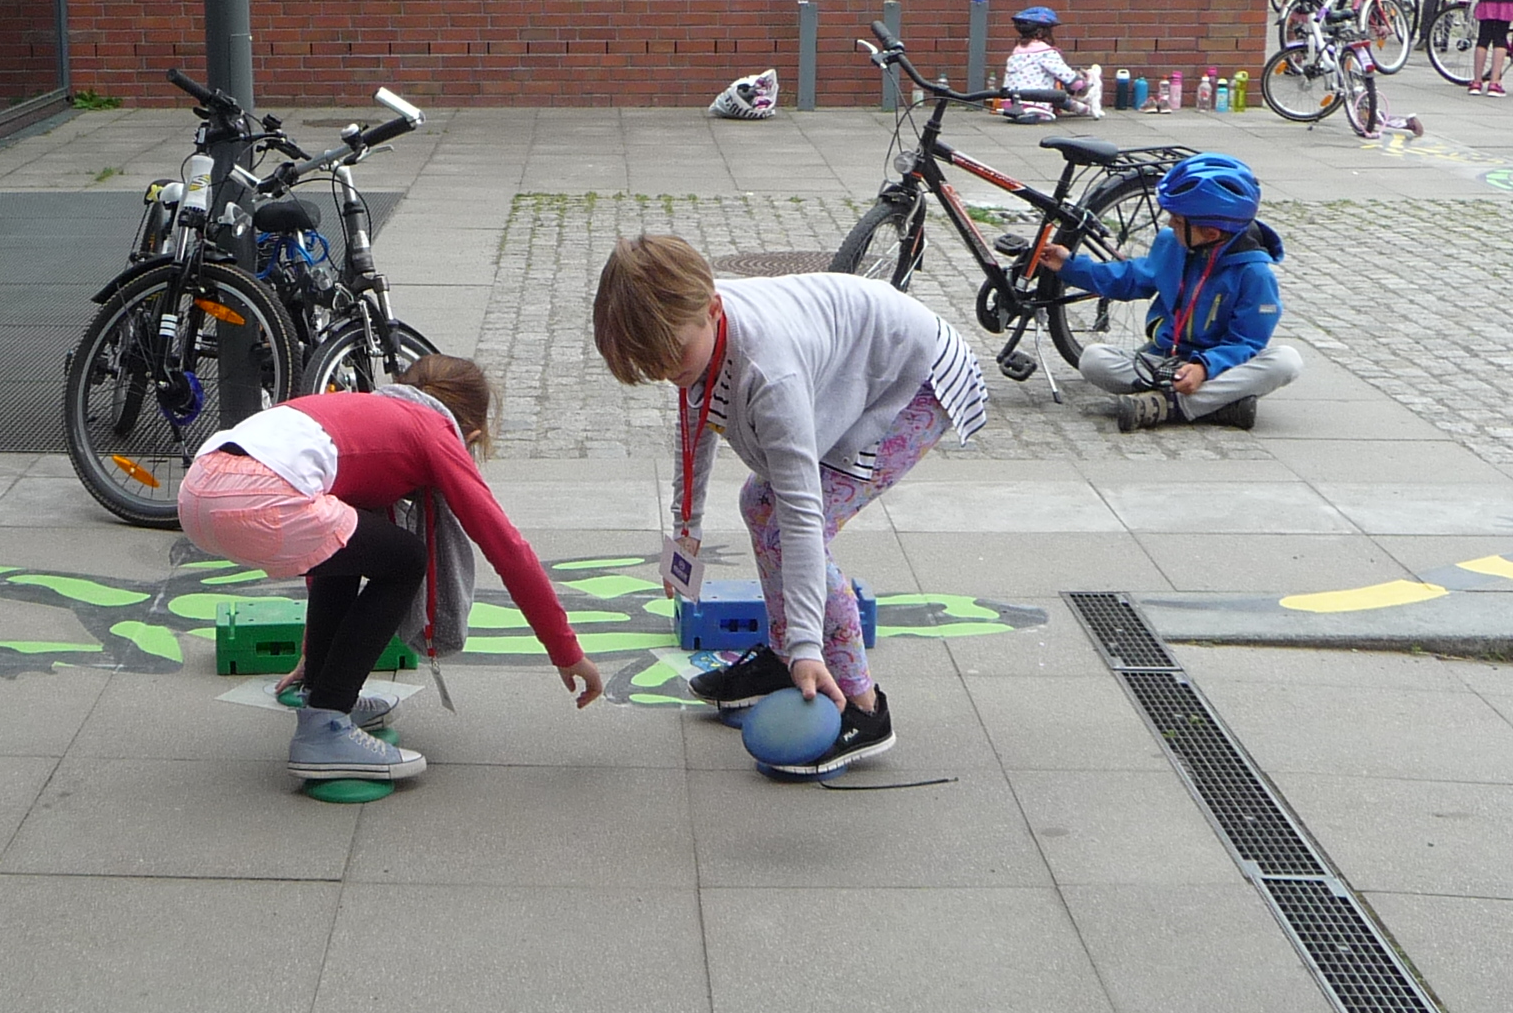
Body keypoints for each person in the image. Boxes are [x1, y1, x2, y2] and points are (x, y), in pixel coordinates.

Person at [591, 236, 987, 773]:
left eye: (672, 357)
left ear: (712, 310)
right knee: (759, 504)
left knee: (786, 522)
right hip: (855, 359)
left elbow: (802, 515)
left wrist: (808, 645)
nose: (665, 372)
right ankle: (783, 662)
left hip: (915, 379)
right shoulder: (691, 325)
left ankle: (864, 706)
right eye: (652, 365)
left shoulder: (768, 372)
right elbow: (696, 416)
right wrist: (686, 529)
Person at [177, 354, 604, 783]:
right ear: (470, 436)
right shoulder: (433, 431)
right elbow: (507, 548)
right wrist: (567, 652)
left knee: (355, 544)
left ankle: (322, 693)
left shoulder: (365, 409)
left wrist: (313, 657)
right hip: (260, 498)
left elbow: (328, 558)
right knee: (406, 560)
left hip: (197, 490)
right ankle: (324, 727)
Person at [1036, 154, 1301, 433]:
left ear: (1211, 234)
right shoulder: (1171, 244)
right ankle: (1216, 404)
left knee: (1286, 361)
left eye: (1177, 220)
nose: (1170, 224)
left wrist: (1203, 368)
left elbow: (1246, 342)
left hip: (1219, 369)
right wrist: (1071, 266)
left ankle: (1168, 405)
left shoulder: (1255, 274)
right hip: (1164, 362)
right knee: (1093, 359)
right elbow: (1130, 278)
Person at [1000, 6, 1090, 123]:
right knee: (1054, 95)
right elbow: (1069, 78)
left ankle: (1082, 109)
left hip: (1010, 105)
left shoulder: (1016, 54)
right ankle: (1083, 109)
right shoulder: (1046, 53)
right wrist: (1083, 85)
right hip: (1035, 106)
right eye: (1050, 31)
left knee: (1055, 95)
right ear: (1040, 33)